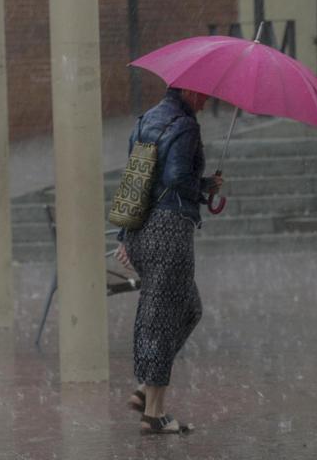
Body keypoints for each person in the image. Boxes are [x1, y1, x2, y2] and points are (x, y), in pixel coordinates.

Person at [115, 87, 223, 434]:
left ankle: (146, 389)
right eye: (203, 95)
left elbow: (137, 178)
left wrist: (124, 236)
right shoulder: (186, 126)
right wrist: (203, 186)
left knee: (189, 309)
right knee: (163, 319)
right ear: (189, 91)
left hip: (141, 231)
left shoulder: (145, 119)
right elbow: (176, 178)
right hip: (169, 230)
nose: (206, 101)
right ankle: (154, 414)